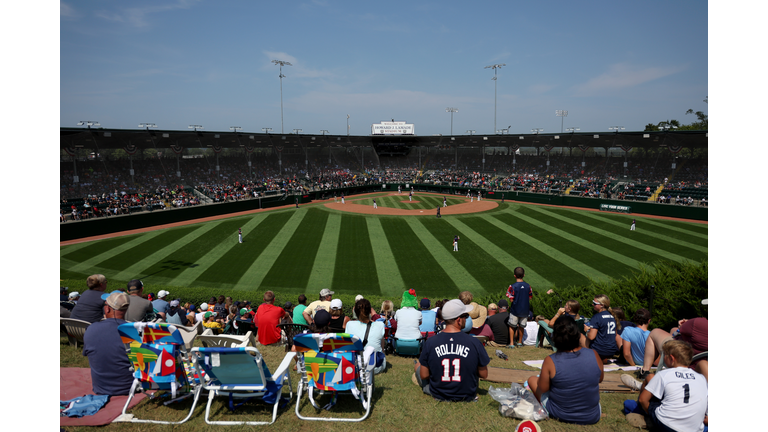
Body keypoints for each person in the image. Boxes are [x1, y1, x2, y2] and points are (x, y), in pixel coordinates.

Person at [527, 316, 604, 425]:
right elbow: (599, 379)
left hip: (560, 413)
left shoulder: (551, 360)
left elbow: (543, 388)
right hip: (592, 414)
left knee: (532, 380)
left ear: (555, 337)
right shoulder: (594, 354)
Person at [414, 299, 490, 402]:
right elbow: (484, 374)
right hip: (467, 392)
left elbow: (424, 375)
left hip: (438, 392)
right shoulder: (475, 343)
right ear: (459, 320)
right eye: (466, 316)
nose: (466, 319)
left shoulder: (431, 342)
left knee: (418, 366)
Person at [623, 340, 708, 432]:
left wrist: (652, 415)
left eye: (664, 356)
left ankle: (647, 417)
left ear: (671, 358)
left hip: (668, 425)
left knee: (629, 403)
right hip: (695, 428)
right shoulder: (701, 378)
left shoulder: (664, 374)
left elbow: (643, 400)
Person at [626, 317, 708, 387]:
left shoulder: (699, 323)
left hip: (683, 357)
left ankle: (645, 371)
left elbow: (682, 329)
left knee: (654, 332)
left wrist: (686, 323)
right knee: (673, 329)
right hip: (700, 360)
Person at [82, 292, 134, 396]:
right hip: (131, 386)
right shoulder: (135, 331)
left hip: (101, 388)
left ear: (107, 309)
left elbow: (87, 353)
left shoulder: (91, 329)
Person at [345, 298, 387, 375]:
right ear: (370, 311)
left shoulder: (349, 324)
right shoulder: (380, 325)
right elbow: (382, 348)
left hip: (356, 366)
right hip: (375, 366)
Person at [583, 294, 620, 364]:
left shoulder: (596, 317)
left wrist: (587, 330)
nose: (592, 304)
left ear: (602, 305)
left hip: (599, 351)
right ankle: (603, 359)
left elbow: (591, 337)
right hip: (612, 351)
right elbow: (614, 334)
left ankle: (586, 359)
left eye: (594, 303)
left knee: (580, 336)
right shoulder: (612, 317)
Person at [506, 267, 533, 347]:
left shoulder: (512, 286)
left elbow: (511, 299)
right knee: (522, 326)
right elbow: (530, 298)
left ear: (514, 276)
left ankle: (511, 343)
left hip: (515, 310)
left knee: (511, 326)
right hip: (525, 310)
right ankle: (520, 342)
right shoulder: (528, 286)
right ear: (524, 275)